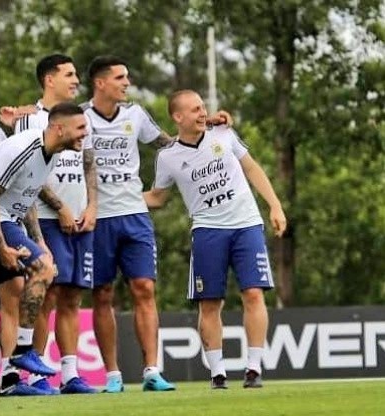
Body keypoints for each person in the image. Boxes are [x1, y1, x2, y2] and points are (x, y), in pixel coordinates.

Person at [83, 55, 231, 393]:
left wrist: (205, 127)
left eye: (127, 76)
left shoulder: (135, 115)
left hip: (135, 216)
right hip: (97, 220)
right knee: (102, 294)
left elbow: (168, 141)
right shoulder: (82, 117)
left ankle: (152, 370)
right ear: (101, 82)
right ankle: (112, 375)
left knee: (145, 290)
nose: (126, 82)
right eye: (120, 77)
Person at [144, 89, 286, 389]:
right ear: (177, 117)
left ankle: (254, 368)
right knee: (209, 303)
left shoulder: (223, 134)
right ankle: (218, 373)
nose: (202, 113)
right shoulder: (167, 157)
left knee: (254, 294)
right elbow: (157, 197)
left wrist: (274, 204)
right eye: (194, 109)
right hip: (208, 232)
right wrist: (113, 198)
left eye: (202, 107)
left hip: (247, 225)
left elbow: (252, 168)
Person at [0, 102, 88, 396]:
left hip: (4, 218)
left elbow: (25, 197)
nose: (85, 134)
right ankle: (23, 350)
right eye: (80, 128)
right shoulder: (22, 148)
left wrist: (39, 240)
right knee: (43, 269)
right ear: (59, 128)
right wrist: (3, 246)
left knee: (14, 296)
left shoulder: (52, 152)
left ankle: (10, 379)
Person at [14, 54, 98, 395]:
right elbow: (28, 175)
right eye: (69, 74)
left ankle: (70, 374)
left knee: (73, 297)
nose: (76, 80)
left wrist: (92, 205)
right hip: (47, 220)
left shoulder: (80, 117)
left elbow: (88, 163)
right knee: (45, 294)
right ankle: (35, 373)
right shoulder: (30, 121)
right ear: (49, 79)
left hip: (81, 220)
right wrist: (61, 206)